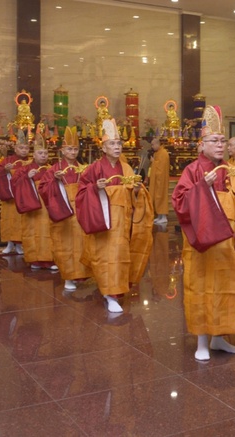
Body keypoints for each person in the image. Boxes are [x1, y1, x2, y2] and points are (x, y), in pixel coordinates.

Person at [172, 105, 235, 361]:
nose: (220, 145)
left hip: (229, 242)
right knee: (201, 288)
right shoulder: (192, 170)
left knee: (226, 288)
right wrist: (201, 187)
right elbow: (179, 202)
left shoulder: (233, 169)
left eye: (222, 140)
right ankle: (201, 341)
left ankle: (219, 337)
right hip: (203, 244)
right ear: (202, 145)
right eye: (214, 141)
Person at [76, 119, 154, 313]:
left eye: (119, 143)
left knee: (120, 257)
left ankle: (113, 292)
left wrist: (137, 190)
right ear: (103, 148)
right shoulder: (94, 168)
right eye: (112, 143)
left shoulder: (126, 168)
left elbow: (135, 195)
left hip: (123, 223)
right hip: (103, 221)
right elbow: (81, 191)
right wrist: (95, 188)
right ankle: (109, 294)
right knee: (105, 257)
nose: (117, 147)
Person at [39, 126, 91, 291]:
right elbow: (43, 188)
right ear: (62, 150)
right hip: (63, 211)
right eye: (69, 149)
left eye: (75, 149)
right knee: (65, 244)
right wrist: (55, 180)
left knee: (83, 243)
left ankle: (82, 274)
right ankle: (68, 276)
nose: (73, 152)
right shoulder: (54, 169)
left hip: (81, 211)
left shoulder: (84, 168)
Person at [12, 132, 56, 270]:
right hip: (32, 206)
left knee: (48, 231)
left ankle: (50, 260)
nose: (43, 156)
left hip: (48, 206)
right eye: (40, 153)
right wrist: (27, 178)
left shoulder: (52, 169)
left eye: (45, 153)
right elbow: (14, 184)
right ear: (34, 155)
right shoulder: (24, 169)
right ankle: (34, 260)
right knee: (31, 232)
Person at [0, 131, 29, 255]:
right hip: (11, 197)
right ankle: (9, 243)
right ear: (15, 148)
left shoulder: (30, 162)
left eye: (26, 148)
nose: (24, 150)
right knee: (9, 220)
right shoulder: (7, 160)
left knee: (21, 221)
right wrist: (5, 170)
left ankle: (19, 245)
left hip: (24, 197)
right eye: (21, 148)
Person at [149, 138, 170, 225]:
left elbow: (161, 168)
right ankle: (160, 216)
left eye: (153, 145)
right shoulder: (157, 153)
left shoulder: (163, 153)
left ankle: (164, 217)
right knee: (157, 196)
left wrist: (153, 162)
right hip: (157, 179)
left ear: (157, 144)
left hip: (161, 180)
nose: (152, 146)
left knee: (161, 196)